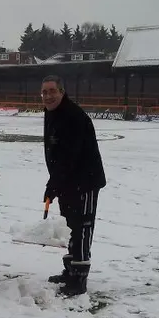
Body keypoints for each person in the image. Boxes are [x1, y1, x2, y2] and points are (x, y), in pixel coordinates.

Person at [41, 75, 106, 297]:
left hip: (84, 181)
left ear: (62, 91)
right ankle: (70, 270)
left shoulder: (73, 116)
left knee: (82, 227)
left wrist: (53, 184)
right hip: (67, 180)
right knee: (68, 227)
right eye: (44, 92)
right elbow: (56, 154)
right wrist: (55, 183)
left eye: (52, 91)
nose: (48, 96)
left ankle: (79, 277)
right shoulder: (51, 113)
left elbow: (70, 156)